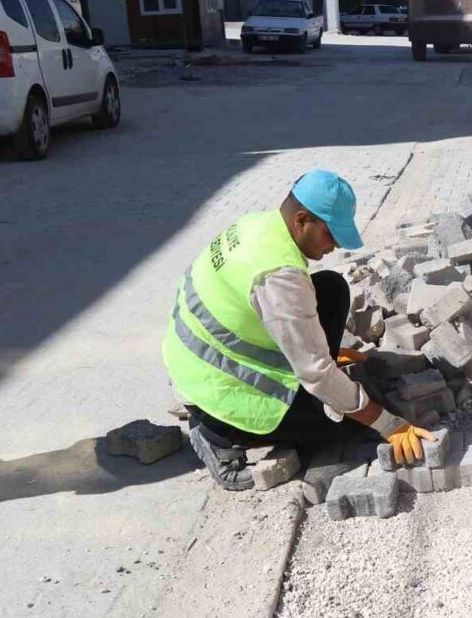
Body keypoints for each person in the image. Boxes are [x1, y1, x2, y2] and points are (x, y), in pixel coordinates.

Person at [162, 170, 434, 491]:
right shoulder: (278, 275)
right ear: (302, 220)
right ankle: (217, 433)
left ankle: (312, 387)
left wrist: (318, 353)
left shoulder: (258, 225)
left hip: (198, 357)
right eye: (330, 235)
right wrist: (390, 424)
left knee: (332, 288)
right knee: (348, 424)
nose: (334, 246)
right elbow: (317, 375)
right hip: (217, 389)